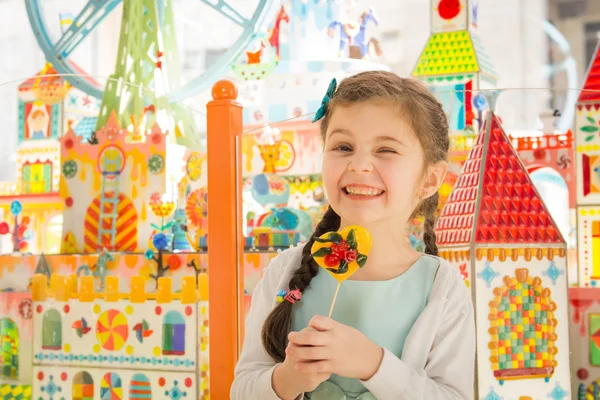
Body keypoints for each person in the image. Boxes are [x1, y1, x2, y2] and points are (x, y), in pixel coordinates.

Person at [231, 71, 475, 400]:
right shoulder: (286, 270)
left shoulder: (441, 288)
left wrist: (373, 364)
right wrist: (287, 378)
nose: (359, 165)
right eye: (343, 146)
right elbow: (241, 389)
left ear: (430, 179)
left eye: (386, 150)